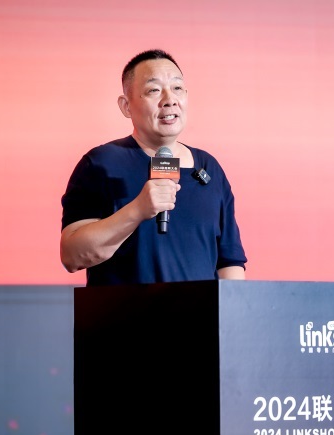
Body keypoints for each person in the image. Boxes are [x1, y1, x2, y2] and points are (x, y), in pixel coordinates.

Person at [60, 49, 247, 286]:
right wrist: (138, 210)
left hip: (199, 311)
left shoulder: (209, 167)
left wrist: (234, 308)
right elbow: (72, 255)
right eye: (154, 90)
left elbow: (229, 262)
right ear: (126, 106)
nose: (170, 99)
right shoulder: (101, 164)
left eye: (177, 88)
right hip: (125, 310)